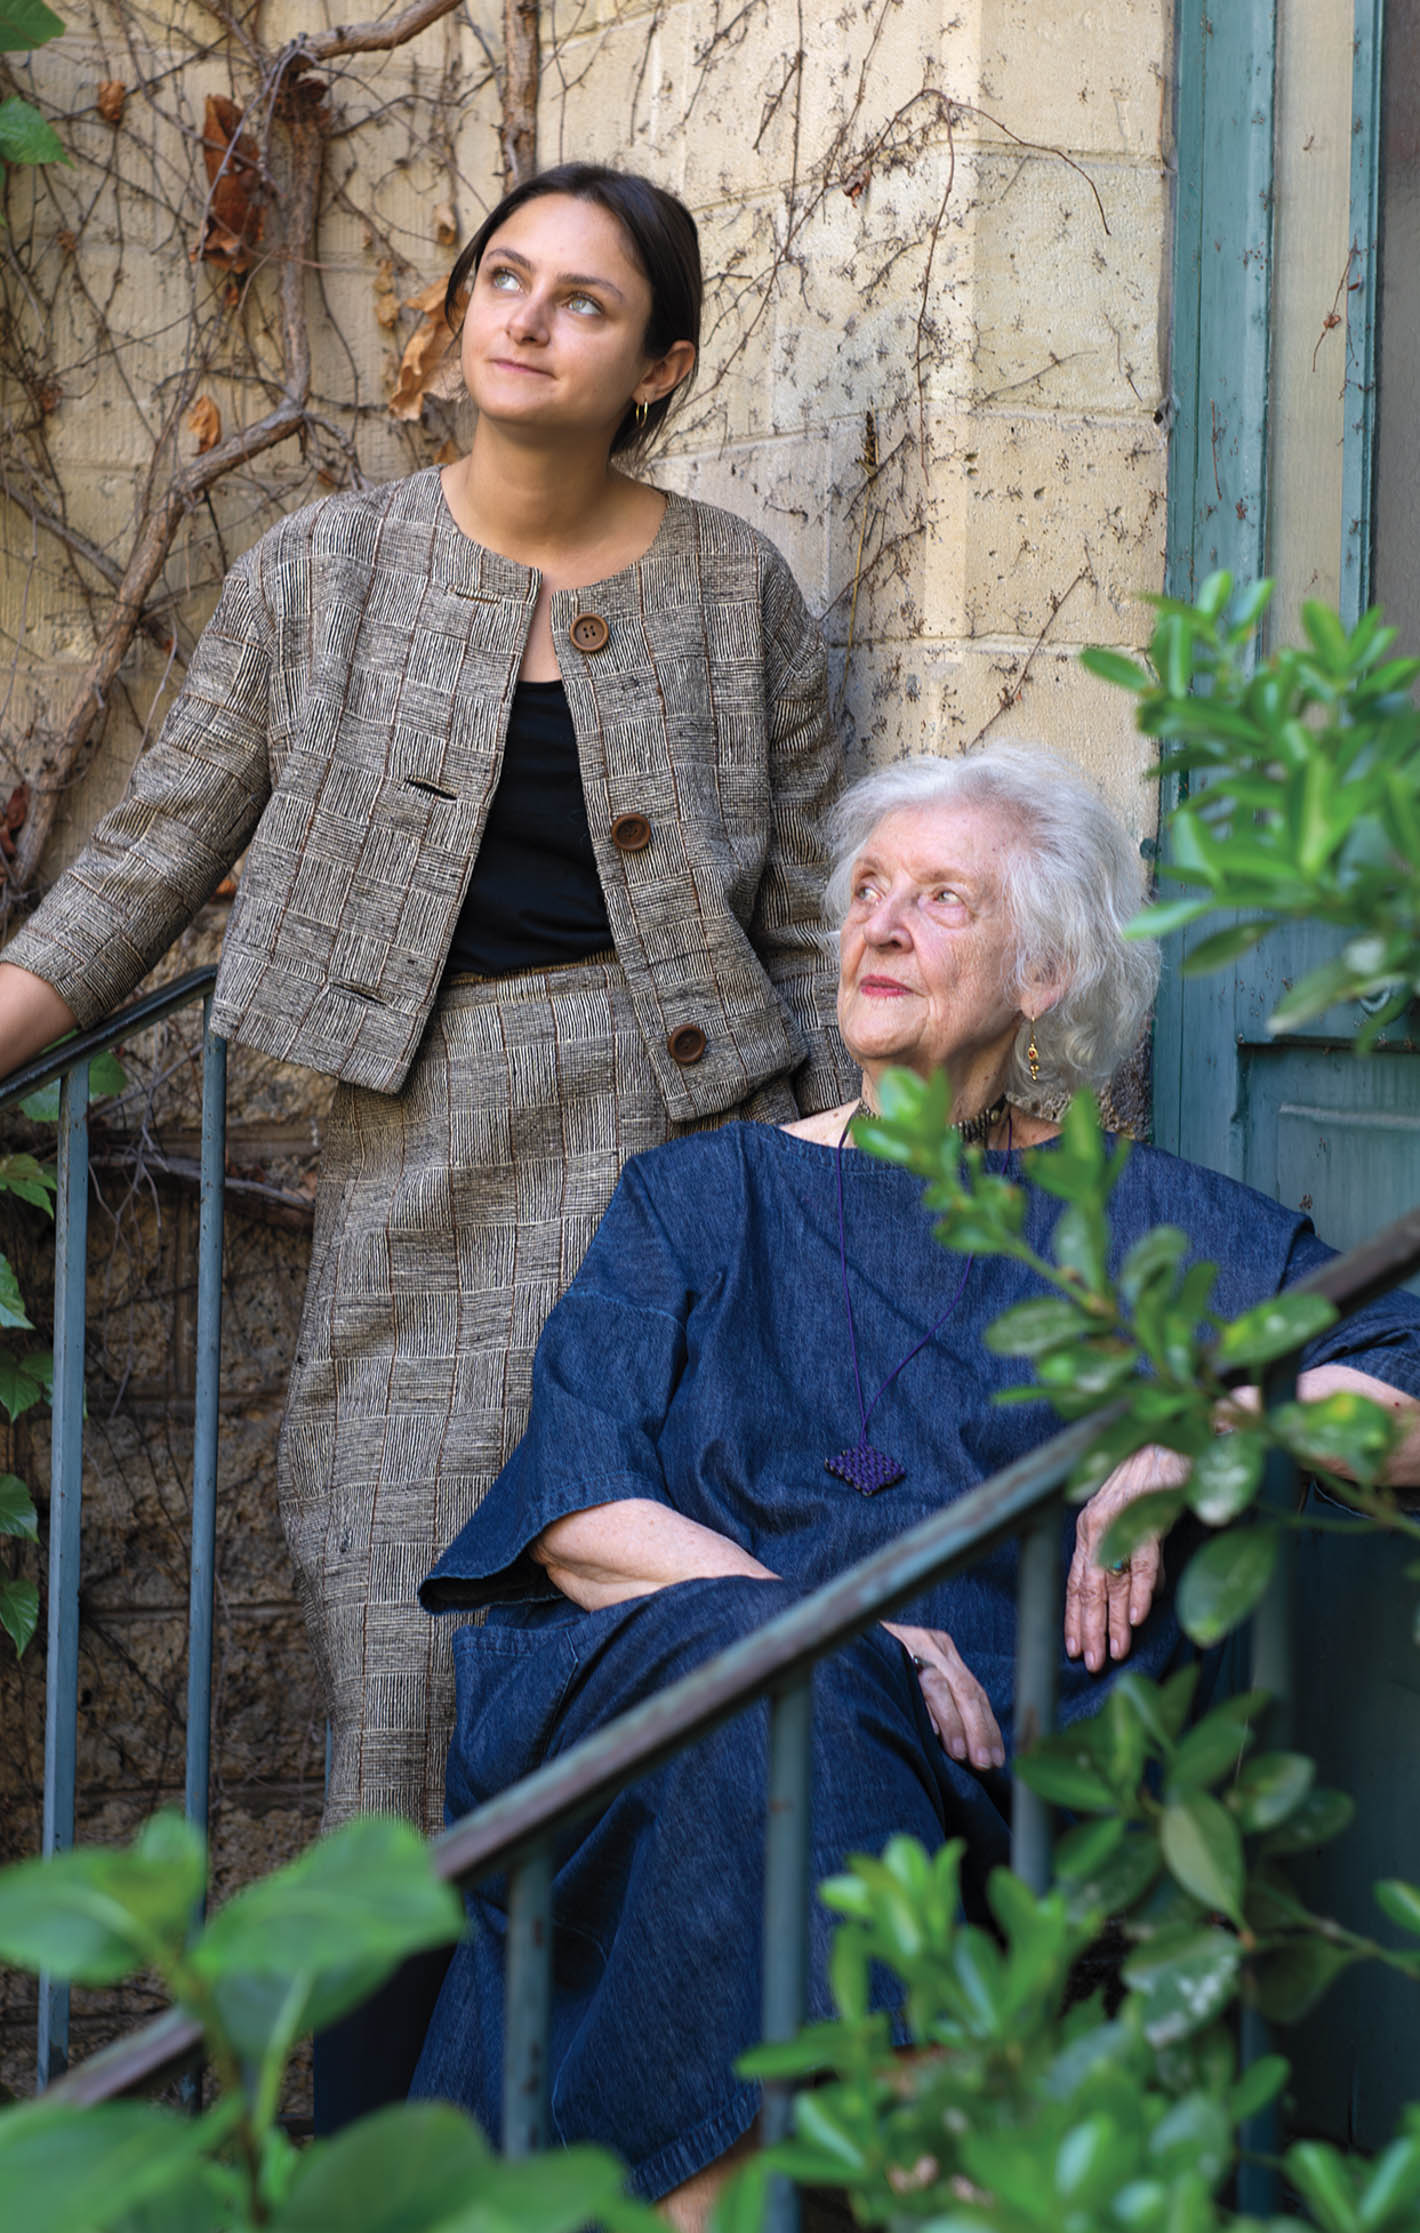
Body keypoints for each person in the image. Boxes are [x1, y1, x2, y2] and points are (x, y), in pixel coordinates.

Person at [0, 165, 853, 2103]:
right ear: (455, 315)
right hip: (417, 1169)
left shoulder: (732, 585)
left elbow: (810, 922)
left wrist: (845, 1168)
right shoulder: (319, 572)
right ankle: (376, 2154)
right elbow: (140, 871)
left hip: (693, 1171)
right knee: (405, 1672)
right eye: (504, 277)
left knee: (671, 1660)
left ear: (660, 367)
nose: (528, 317)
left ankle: (631, 2140)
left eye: (586, 300)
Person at [412, 744, 1420, 2223]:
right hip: (645, 1709)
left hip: (981, 1758)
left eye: (943, 898)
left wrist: (1216, 1407)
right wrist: (835, 1629)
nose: (878, 925)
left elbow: (1407, 1389)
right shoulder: (696, 1200)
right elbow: (576, 1510)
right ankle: (952, 2164)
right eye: (869, 889)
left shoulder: (1144, 1225)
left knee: (778, 1728)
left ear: (1044, 975)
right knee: (777, 1682)